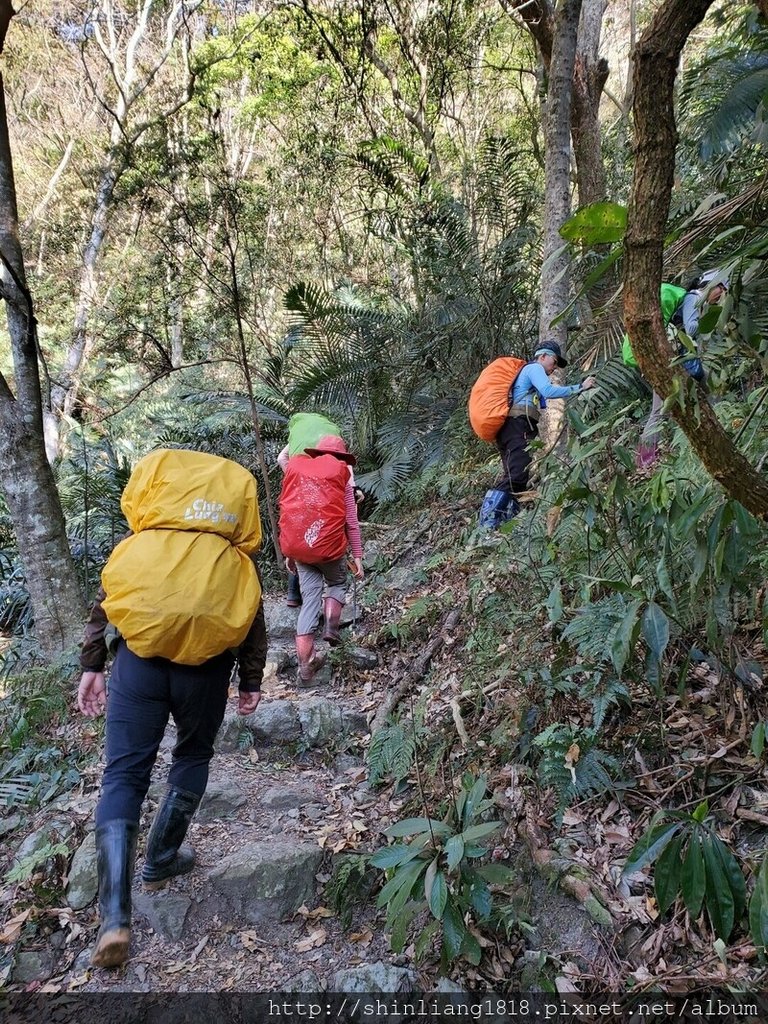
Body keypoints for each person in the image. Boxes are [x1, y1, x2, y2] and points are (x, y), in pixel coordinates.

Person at [77, 452, 267, 970]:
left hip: (137, 664)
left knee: (122, 776)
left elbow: (107, 603)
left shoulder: (139, 547)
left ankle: (115, 919)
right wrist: (251, 679)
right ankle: (160, 860)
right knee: (191, 755)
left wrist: (92, 666)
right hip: (204, 670)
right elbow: (252, 616)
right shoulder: (233, 559)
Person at [478, 341, 596, 529]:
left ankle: (504, 523)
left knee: (517, 475)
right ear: (542, 356)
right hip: (516, 425)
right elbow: (548, 391)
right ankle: (487, 524)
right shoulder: (534, 368)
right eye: (554, 361)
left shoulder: (530, 371)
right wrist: (580, 387)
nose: (554, 368)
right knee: (516, 476)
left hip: (512, 428)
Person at [278, 435, 364, 682]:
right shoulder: (343, 482)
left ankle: (305, 665)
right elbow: (351, 523)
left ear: (316, 454)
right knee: (337, 583)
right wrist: (357, 556)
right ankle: (331, 628)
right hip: (329, 550)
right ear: (341, 459)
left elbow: (288, 513)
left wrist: (290, 553)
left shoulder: (299, 478)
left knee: (309, 600)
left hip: (301, 550)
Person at [630, 271, 729, 469]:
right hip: (674, 364)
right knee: (659, 412)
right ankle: (644, 461)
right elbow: (691, 328)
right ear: (711, 286)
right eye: (721, 289)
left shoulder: (697, 300)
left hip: (676, 362)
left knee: (707, 391)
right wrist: (713, 320)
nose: (721, 295)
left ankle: (714, 439)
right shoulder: (694, 298)